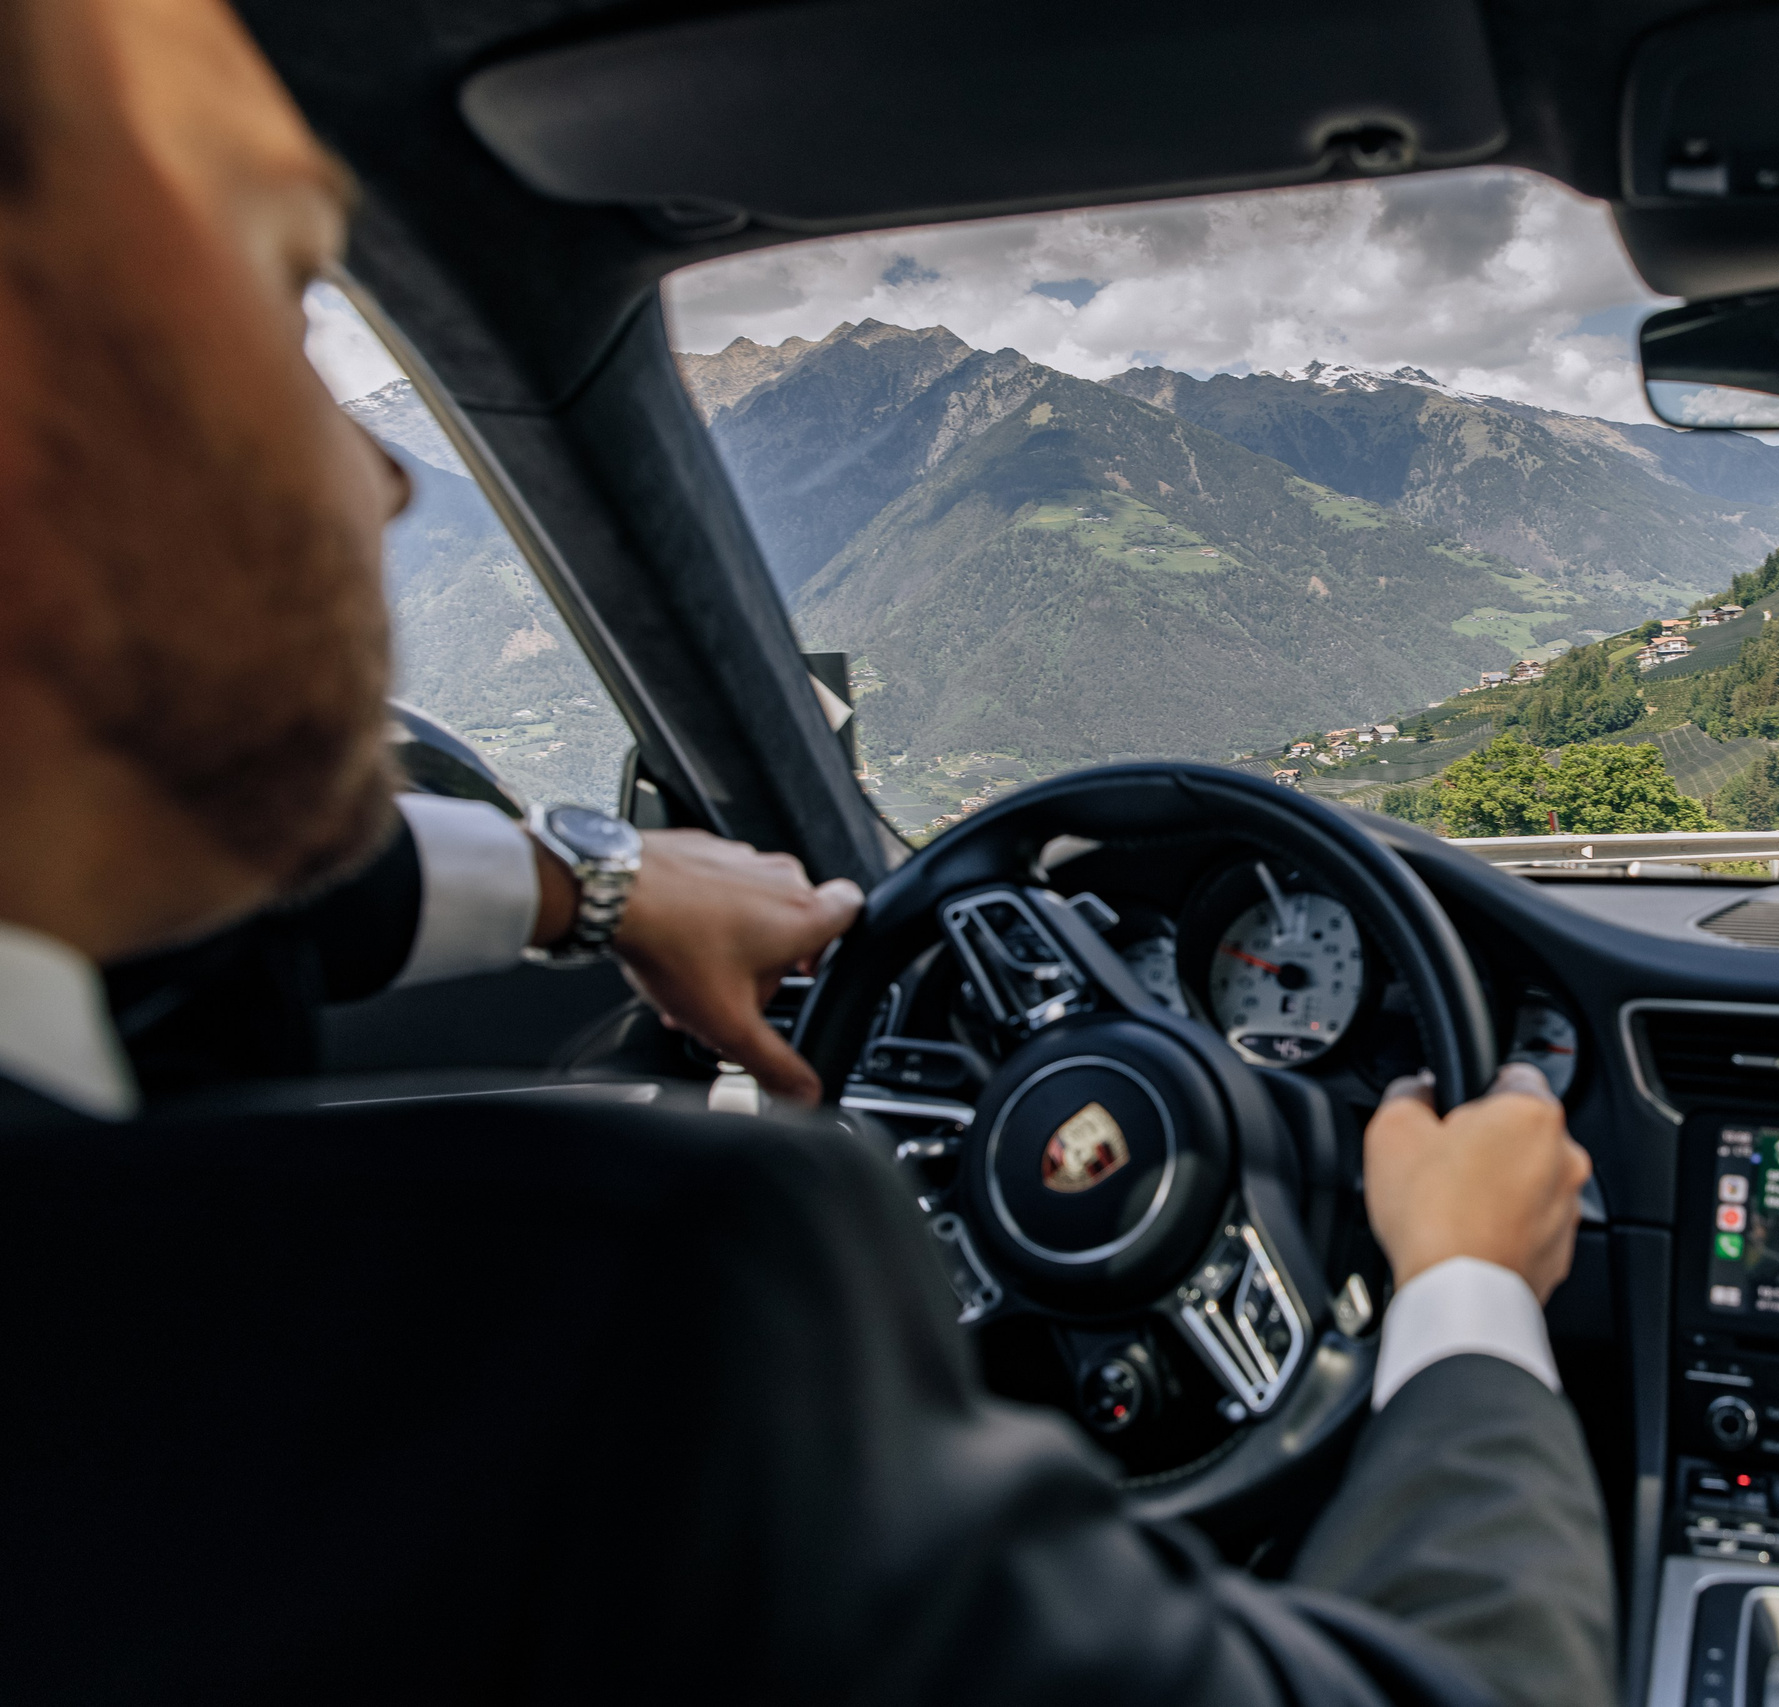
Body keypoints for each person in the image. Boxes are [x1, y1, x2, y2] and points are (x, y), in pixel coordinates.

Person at [0, 1, 1614, 1703]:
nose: (385, 479)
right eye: (284, 290)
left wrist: (601, 885)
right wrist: (1462, 1292)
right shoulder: (616, 1329)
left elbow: (175, 914)